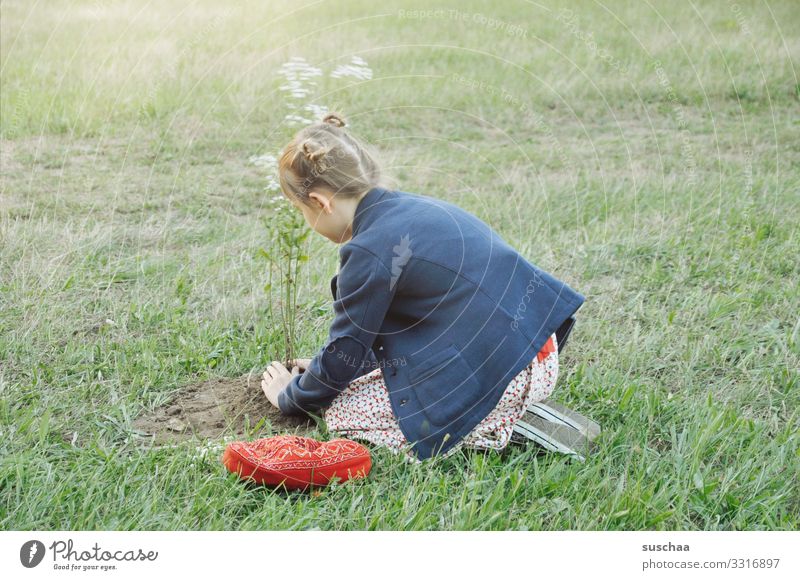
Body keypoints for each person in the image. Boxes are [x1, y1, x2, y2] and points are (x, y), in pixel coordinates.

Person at [261, 112, 589, 462]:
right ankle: (505, 407)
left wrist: (291, 396)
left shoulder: (367, 248)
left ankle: (492, 421)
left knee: (344, 412)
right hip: (536, 350)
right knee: (366, 388)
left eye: (302, 211)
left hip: (507, 374)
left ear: (319, 203)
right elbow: (402, 331)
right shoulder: (416, 208)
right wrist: (338, 369)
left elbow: (346, 350)